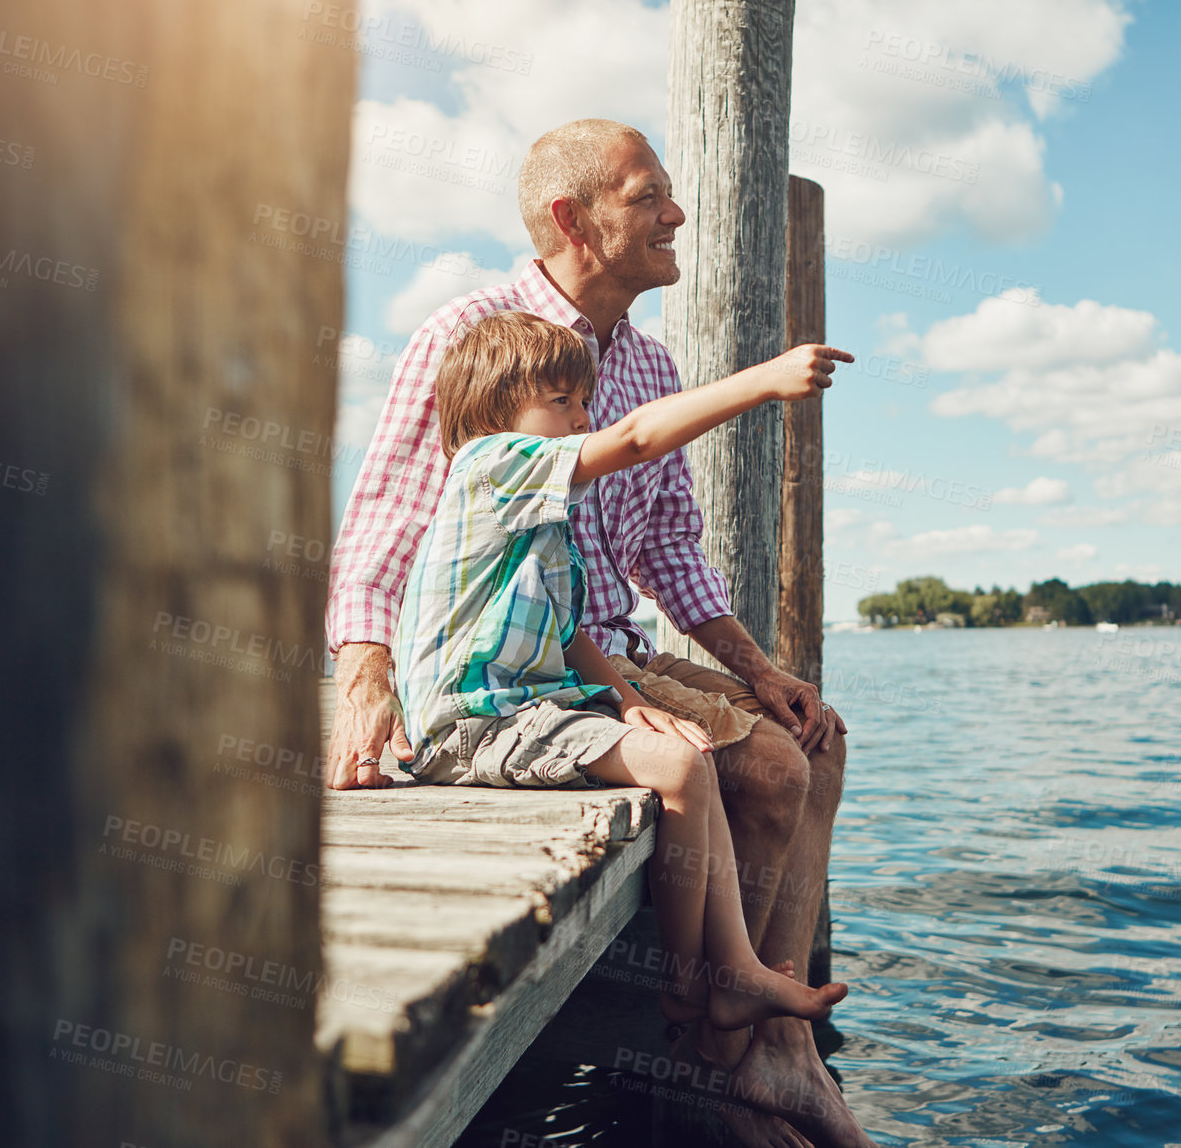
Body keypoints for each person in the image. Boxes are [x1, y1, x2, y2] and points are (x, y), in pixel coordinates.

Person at [327, 119, 877, 1148]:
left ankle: (775, 1045)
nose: (677, 213)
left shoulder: (652, 362)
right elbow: (384, 524)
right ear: (574, 218)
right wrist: (364, 679)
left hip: (601, 650)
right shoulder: (476, 337)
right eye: (649, 194)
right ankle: (717, 1060)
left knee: (814, 735)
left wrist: (761, 671)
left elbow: (667, 549)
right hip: (513, 678)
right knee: (763, 774)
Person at [394, 308, 849, 1031]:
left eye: (585, 401)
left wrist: (628, 700)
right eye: (563, 402)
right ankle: (684, 982)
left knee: (688, 752)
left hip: (520, 709)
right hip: (469, 725)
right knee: (680, 768)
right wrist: (761, 382)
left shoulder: (542, 520)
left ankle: (733, 969)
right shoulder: (492, 464)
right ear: (493, 409)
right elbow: (634, 439)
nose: (584, 418)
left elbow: (569, 630)